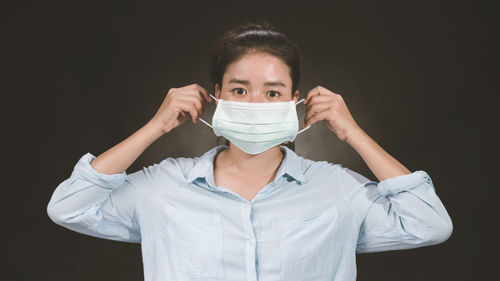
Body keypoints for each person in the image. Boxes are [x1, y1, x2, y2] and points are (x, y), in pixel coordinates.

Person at [47, 20, 453, 281]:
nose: (255, 102)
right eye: (240, 90)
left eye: (272, 92)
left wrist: (354, 134)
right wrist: (155, 127)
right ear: (216, 95)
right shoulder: (164, 186)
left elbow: (429, 224)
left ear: (294, 99)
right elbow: (68, 207)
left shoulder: (337, 189)